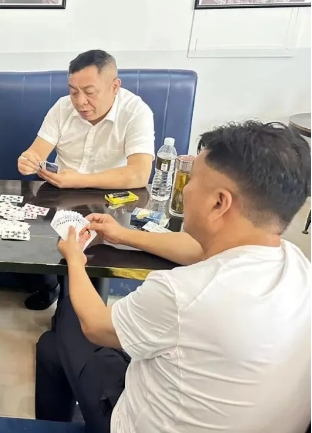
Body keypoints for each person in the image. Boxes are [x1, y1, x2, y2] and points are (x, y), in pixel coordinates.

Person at [35, 120, 311, 433]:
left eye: (190, 180)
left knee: (68, 318)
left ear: (219, 202)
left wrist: (74, 258)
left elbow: (96, 326)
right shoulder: (298, 267)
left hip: (133, 423)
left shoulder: (184, 294)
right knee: (52, 348)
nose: (185, 188)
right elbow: (198, 251)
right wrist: (122, 235)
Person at [16, 50, 155, 311]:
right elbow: (36, 152)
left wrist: (79, 180)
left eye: (90, 92)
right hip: (61, 195)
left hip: (111, 200)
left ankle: (75, 307)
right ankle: (51, 286)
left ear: (115, 86)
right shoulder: (62, 107)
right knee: (24, 236)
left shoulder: (136, 112)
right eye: (73, 91)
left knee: (91, 255)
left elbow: (139, 174)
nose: (80, 102)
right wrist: (28, 160)